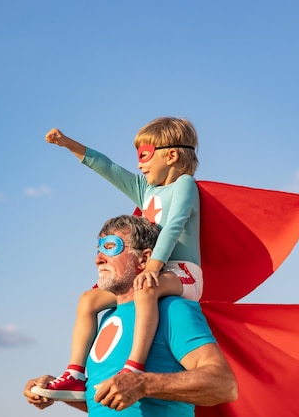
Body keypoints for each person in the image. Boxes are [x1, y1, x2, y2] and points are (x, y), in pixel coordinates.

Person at [38, 117, 203, 400]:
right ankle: (75, 375)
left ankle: (134, 368)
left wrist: (153, 266)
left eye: (145, 155)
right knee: (88, 300)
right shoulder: (146, 190)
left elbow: (175, 225)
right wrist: (68, 144)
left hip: (182, 273)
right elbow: (107, 167)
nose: (139, 164)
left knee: (146, 287)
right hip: (152, 270)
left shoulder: (185, 185)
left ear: (172, 155)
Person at [24, 215, 237, 415]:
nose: (98, 259)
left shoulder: (172, 309)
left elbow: (223, 384)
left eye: (110, 248)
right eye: (98, 250)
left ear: (144, 259)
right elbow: (109, 402)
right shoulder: (105, 318)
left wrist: (143, 384)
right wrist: (54, 392)